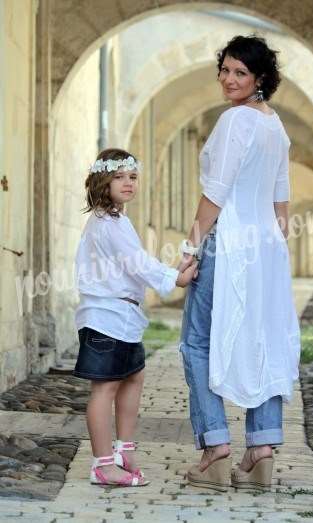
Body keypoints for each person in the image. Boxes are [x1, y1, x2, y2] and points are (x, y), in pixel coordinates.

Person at [178, 35, 301, 491]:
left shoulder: (236, 122)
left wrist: (191, 250)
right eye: (225, 69)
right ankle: (261, 450)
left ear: (260, 79)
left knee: (196, 343)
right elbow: (281, 201)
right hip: (265, 248)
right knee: (263, 338)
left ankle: (214, 451)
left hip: (227, 243)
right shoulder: (276, 127)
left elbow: (215, 194)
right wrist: (271, 248)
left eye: (240, 73)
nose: (229, 80)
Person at [73, 148, 197, 487]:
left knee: (134, 376)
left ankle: (123, 449)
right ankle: (102, 465)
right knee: (106, 387)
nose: (128, 183)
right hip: (105, 316)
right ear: (103, 180)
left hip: (123, 315)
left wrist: (173, 272)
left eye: (133, 177)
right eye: (119, 176)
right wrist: (175, 278)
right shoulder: (105, 223)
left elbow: (136, 260)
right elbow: (137, 263)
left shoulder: (117, 220)